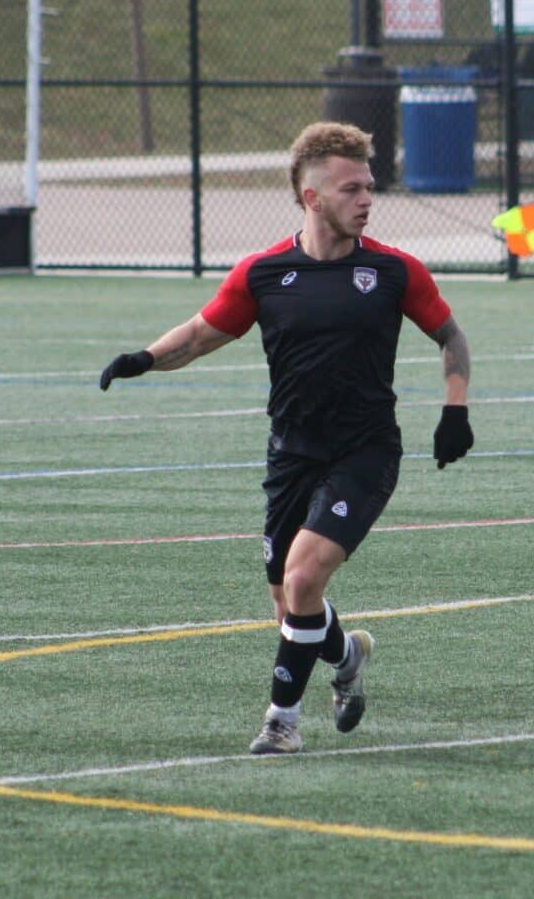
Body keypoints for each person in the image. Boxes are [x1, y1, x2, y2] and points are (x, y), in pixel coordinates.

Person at [99, 121, 473, 755]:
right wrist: (141, 358)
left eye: (369, 187)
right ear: (312, 197)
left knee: (302, 581)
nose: (366, 199)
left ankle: (282, 722)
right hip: (291, 453)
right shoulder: (264, 274)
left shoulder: (392, 270)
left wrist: (454, 410)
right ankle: (348, 655)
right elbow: (197, 335)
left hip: (366, 452)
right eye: (351, 188)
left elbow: (451, 337)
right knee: (290, 601)